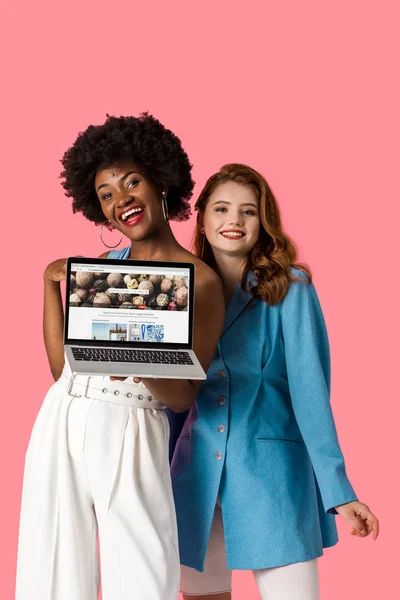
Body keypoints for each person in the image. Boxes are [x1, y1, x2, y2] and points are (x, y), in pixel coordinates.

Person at [15, 114, 224, 600]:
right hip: (63, 415)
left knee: (142, 567)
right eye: (106, 193)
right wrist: (52, 286)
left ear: (161, 182)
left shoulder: (202, 282)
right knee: (52, 561)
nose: (121, 199)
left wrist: (143, 361)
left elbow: (182, 398)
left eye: (132, 182)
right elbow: (63, 370)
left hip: (132, 424)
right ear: (99, 209)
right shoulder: (102, 272)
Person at [171, 163, 379, 600]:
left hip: (272, 479)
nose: (234, 221)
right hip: (195, 479)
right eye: (222, 209)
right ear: (203, 218)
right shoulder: (180, 291)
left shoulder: (292, 287)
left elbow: (311, 393)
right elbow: (173, 398)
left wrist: (338, 490)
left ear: (263, 223)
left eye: (248, 211)